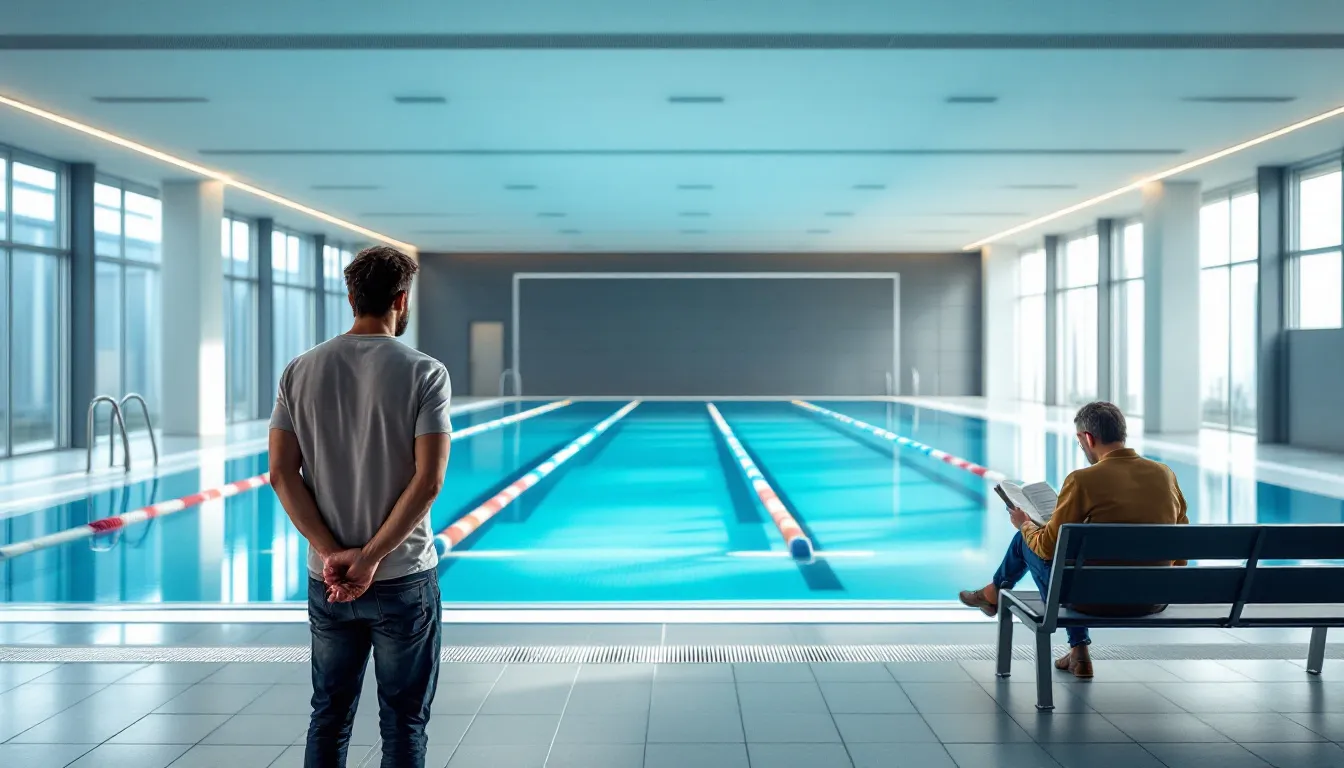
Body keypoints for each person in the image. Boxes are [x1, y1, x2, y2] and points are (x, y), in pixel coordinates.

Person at [269, 245, 452, 768]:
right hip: (402, 576)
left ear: (351, 298)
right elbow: (429, 480)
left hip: (327, 579)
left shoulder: (298, 370)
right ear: (401, 299)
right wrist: (370, 557)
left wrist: (332, 553)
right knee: (403, 722)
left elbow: (282, 472)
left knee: (328, 716)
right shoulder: (425, 372)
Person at [958, 401, 1188, 679]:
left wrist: (1025, 525)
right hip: (1152, 599)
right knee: (1072, 558)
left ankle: (994, 594)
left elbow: (1047, 547)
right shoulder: (1165, 475)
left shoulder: (1082, 480)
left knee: (1027, 543)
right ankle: (1076, 652)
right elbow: (1180, 547)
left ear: (1087, 438)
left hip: (1091, 600)